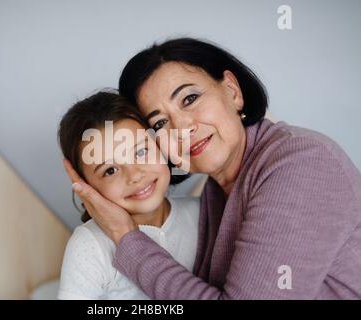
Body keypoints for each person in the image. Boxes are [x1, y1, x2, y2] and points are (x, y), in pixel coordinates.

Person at [64, 38, 361, 299]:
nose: (182, 128)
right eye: (160, 123)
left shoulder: (301, 163)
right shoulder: (214, 195)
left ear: (232, 91)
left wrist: (126, 236)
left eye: (190, 99)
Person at [57, 91, 199, 299]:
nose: (134, 175)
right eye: (110, 170)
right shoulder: (90, 245)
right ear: (87, 187)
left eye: (141, 152)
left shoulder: (202, 214)